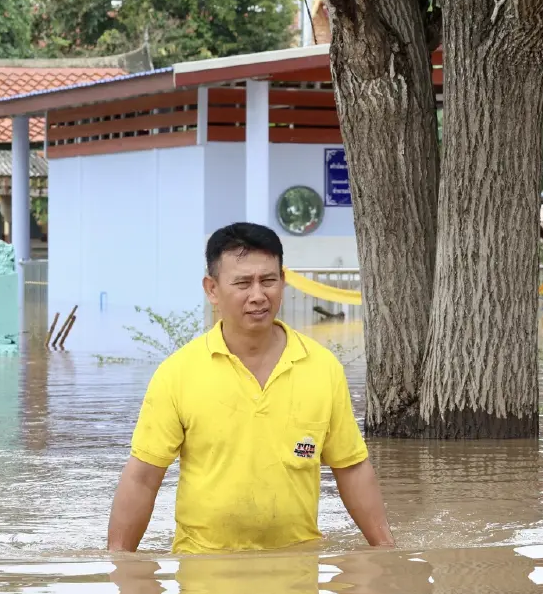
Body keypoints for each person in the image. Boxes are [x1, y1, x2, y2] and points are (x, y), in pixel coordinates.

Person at [106, 222, 394, 554]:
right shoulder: (178, 373)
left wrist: (387, 551)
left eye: (268, 281)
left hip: (297, 568)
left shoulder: (322, 368)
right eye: (242, 283)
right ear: (212, 289)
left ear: (283, 282)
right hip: (205, 570)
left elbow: (352, 467)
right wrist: (120, 566)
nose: (258, 295)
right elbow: (143, 477)